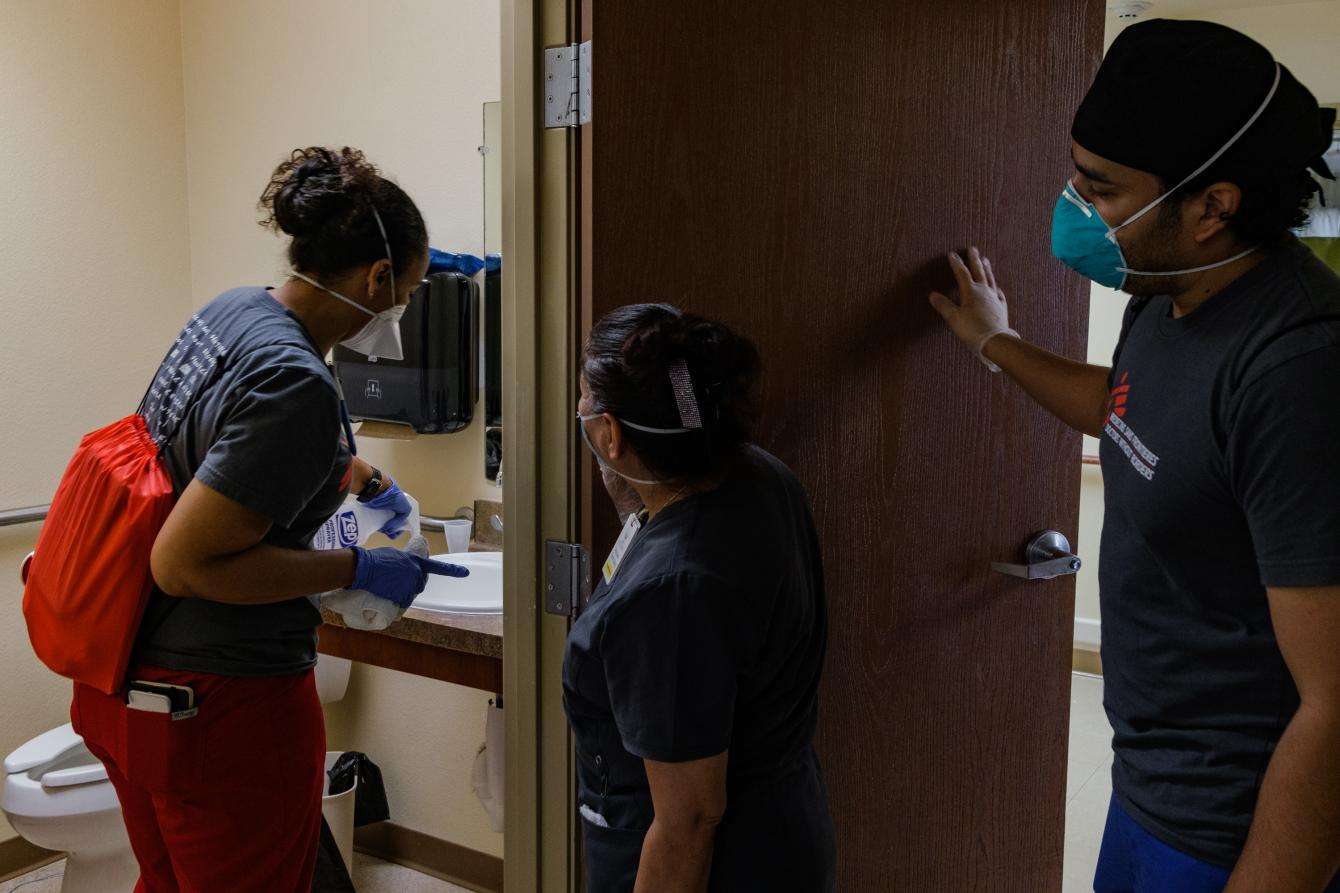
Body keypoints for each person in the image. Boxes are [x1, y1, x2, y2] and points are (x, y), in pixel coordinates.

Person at [929, 20, 1339, 893]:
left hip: (1238, 827)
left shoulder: (1298, 371)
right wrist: (995, 344)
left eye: (1101, 190)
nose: (1075, 210)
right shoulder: (1173, 291)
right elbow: (1132, 413)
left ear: (1210, 206)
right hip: (1152, 788)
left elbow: (1338, 703)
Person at [70, 146, 465, 892]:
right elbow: (183, 561)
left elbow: (212, 448)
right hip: (218, 704)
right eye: (406, 291)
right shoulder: (299, 385)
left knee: (167, 882)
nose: (400, 310)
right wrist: (358, 566)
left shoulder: (234, 311)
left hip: (121, 675)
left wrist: (360, 473)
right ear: (376, 278)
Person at [563, 304, 836, 891]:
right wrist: (627, 482)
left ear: (610, 434)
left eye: (583, 405)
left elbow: (689, 817)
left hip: (715, 863)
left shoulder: (671, 594)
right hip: (786, 827)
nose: (579, 415)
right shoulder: (760, 477)